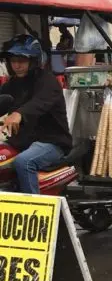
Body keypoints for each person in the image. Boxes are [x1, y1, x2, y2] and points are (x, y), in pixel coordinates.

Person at [0, 35, 72, 194]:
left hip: (52, 142)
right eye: (13, 60)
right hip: (22, 141)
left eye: (22, 60)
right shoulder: (12, 84)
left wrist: (19, 114)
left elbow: (40, 102)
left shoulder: (48, 81)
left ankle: (32, 206)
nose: (17, 65)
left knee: (24, 162)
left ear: (33, 61)